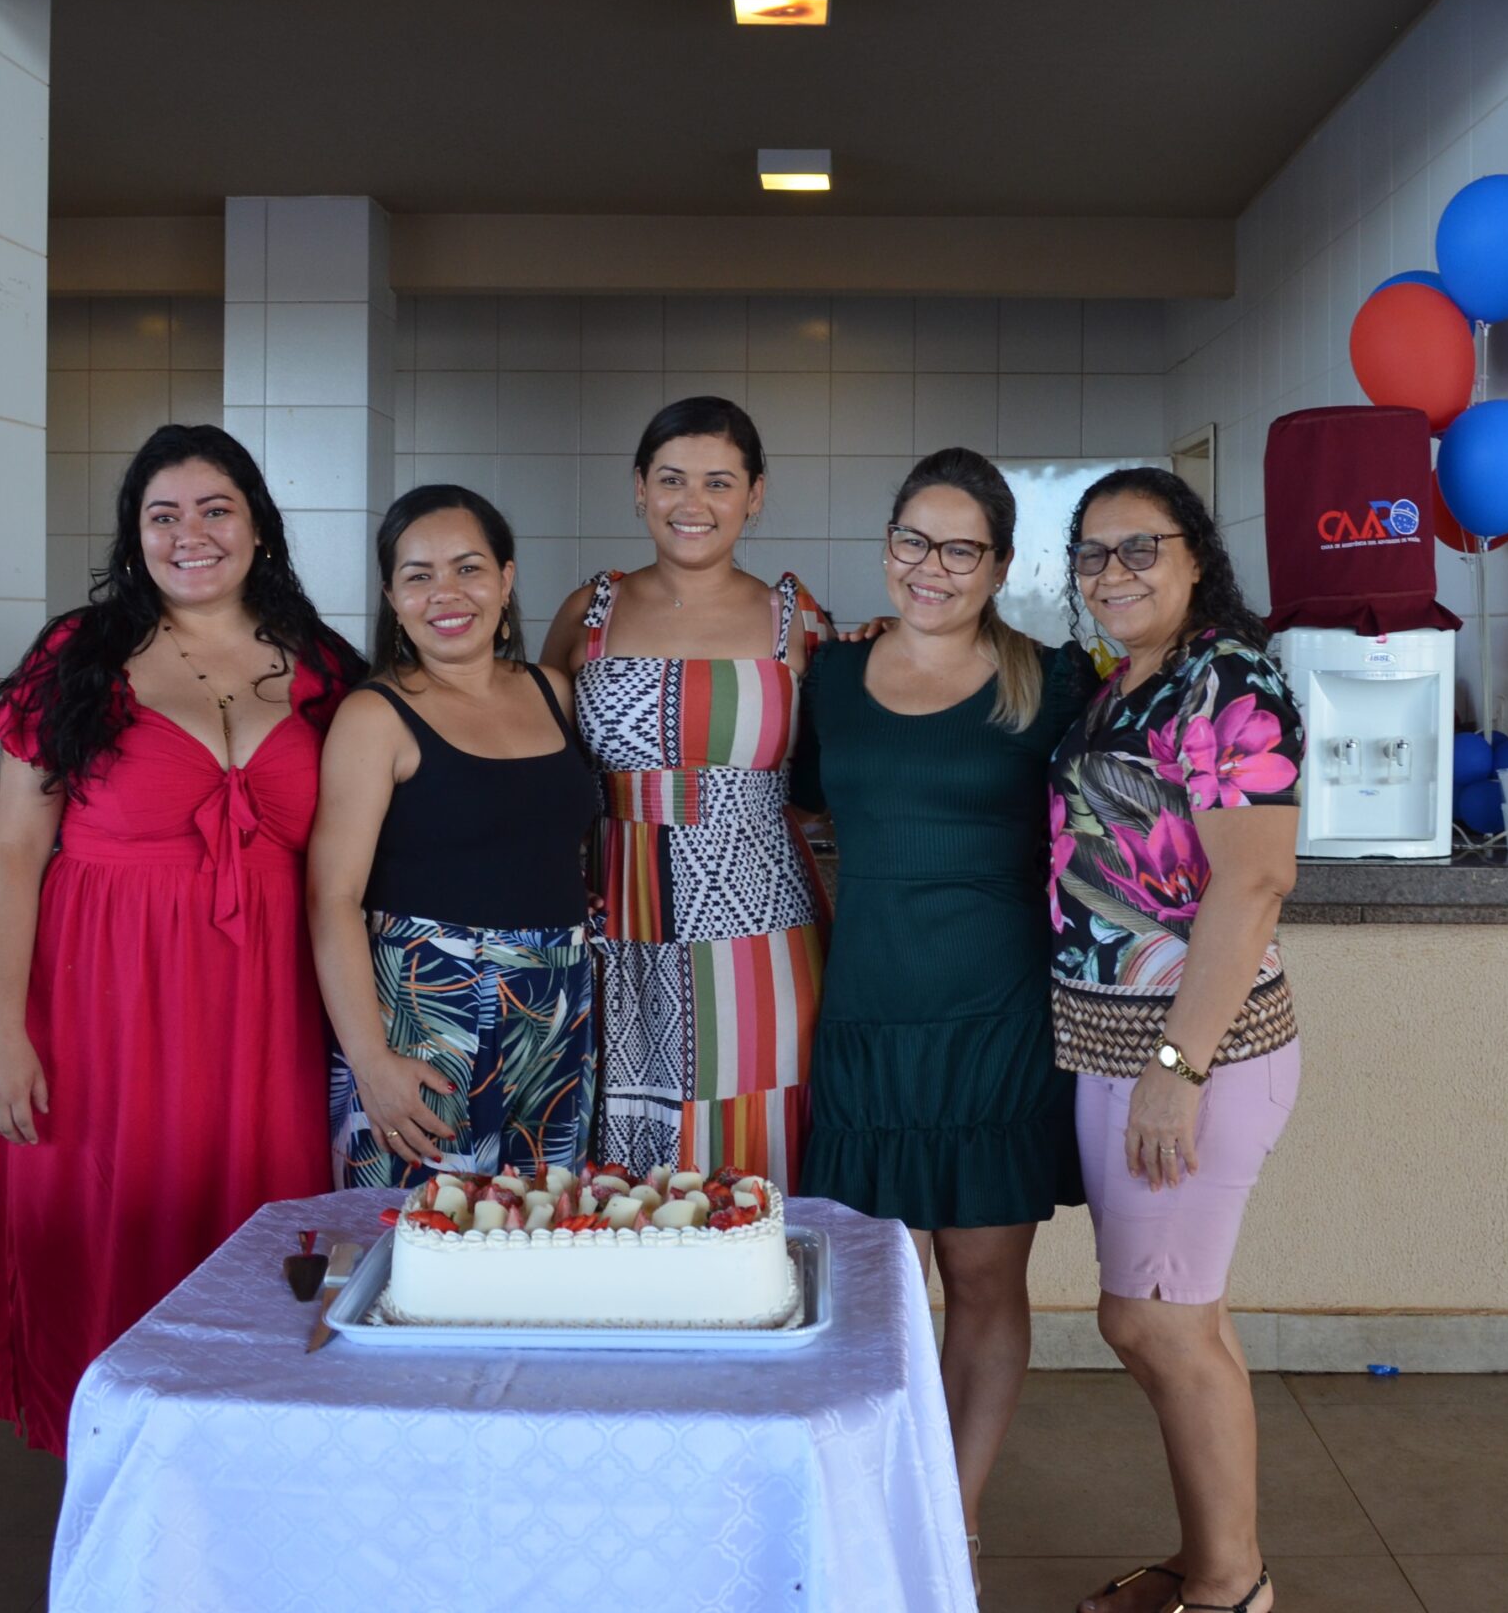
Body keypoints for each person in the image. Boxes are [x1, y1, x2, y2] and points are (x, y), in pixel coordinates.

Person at [0, 422, 364, 1454]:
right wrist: (0, 1027)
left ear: (258, 527)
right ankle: (113, 1467)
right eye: (164, 515)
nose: (191, 534)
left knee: (258, 1223)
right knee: (111, 1223)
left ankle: (247, 1465)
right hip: (99, 1004)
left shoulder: (323, 669)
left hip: (267, 1009)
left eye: (215, 509)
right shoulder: (78, 657)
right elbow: (14, 851)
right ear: (134, 535)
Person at [792, 447, 1094, 1561]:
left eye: (961, 549)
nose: (932, 566)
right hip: (867, 1015)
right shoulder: (829, 678)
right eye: (912, 541)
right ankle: (869, 1505)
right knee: (872, 1290)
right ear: (887, 547)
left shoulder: (1053, 681)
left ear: (1001, 565)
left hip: (998, 1019)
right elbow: (801, 812)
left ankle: (950, 1519)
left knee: (981, 1278)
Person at [1052, 467, 1303, 1613]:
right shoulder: (1125, 679)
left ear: (1195, 554)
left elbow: (1253, 882)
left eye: (1139, 547)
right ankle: (1214, 1559)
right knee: (1168, 1312)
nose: (1113, 572)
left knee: (1155, 1318)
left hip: (1195, 1050)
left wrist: (1176, 1067)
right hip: (1121, 1048)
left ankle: (1231, 1584)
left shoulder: (1226, 676)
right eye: (1092, 553)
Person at [544, 397, 832, 1190]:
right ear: (640, 486)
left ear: (755, 495)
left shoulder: (797, 619)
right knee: (621, 1172)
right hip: (615, 920)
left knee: (758, 1156)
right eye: (671, 479)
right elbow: (540, 764)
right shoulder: (590, 611)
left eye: (719, 482)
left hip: (761, 936)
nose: (692, 503)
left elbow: (830, 777)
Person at [313, 485, 604, 1188]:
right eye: (419, 576)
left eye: (468, 568)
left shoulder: (554, 691)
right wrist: (371, 1063)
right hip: (423, 1015)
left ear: (505, 579)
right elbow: (332, 898)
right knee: (417, 1234)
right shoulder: (375, 715)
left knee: (542, 1228)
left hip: (557, 1010)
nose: (446, 593)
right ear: (393, 597)